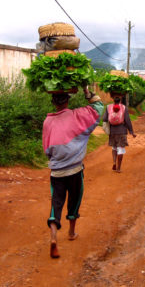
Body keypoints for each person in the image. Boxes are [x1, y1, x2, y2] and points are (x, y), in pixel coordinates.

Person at [42, 87, 104, 258]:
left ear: (53, 102)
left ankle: (54, 237)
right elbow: (99, 108)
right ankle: (71, 232)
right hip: (75, 170)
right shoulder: (78, 116)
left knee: (57, 203)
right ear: (67, 100)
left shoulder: (47, 122)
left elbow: (46, 148)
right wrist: (87, 92)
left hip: (56, 173)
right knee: (74, 201)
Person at [102, 94, 136, 173]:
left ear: (112, 98)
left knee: (114, 147)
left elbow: (104, 119)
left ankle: (114, 162)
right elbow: (127, 120)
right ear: (121, 98)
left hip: (112, 131)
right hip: (121, 131)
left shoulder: (108, 107)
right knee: (120, 148)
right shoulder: (124, 108)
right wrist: (131, 131)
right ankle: (118, 168)